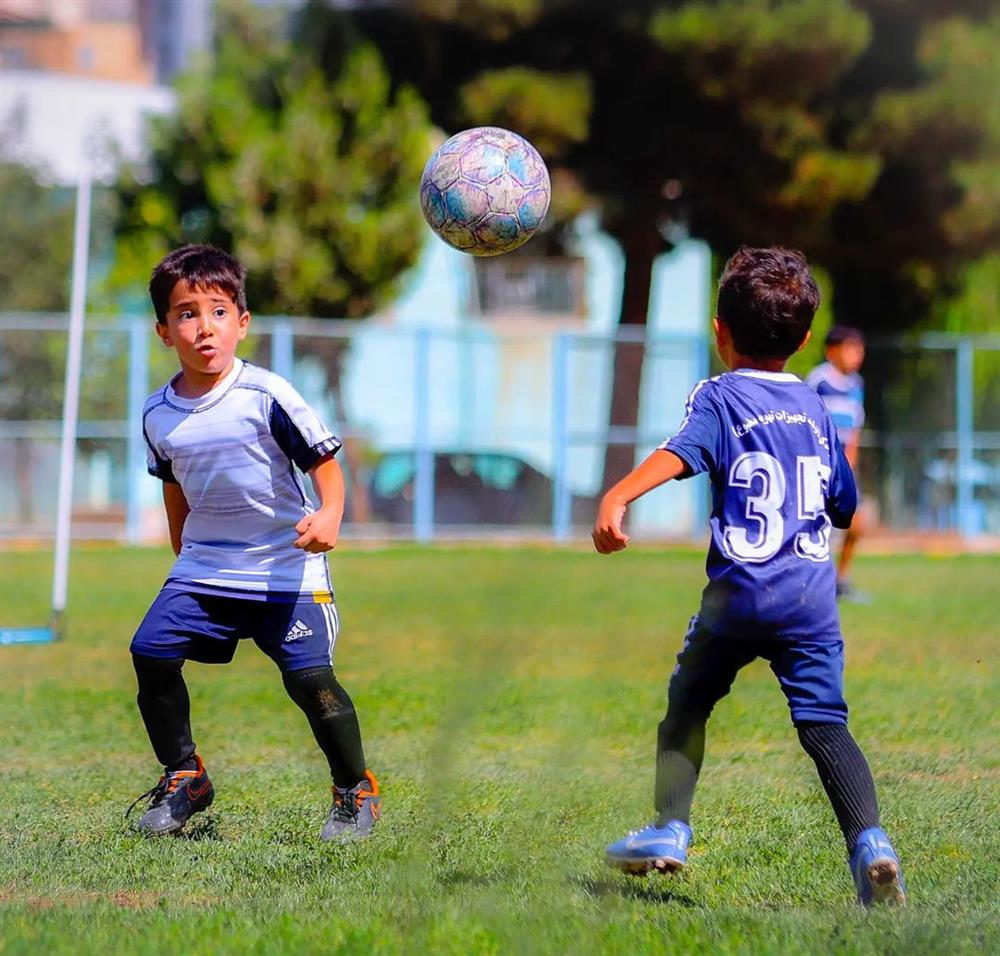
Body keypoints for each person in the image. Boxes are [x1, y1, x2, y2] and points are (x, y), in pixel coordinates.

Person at [592, 248, 905, 906]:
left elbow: (682, 453)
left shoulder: (720, 394)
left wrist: (618, 495)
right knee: (824, 723)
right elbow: (843, 505)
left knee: (688, 704)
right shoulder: (818, 408)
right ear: (803, 338)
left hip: (737, 596)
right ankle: (872, 845)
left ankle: (670, 828)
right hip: (810, 600)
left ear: (720, 332)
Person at [127, 244, 380, 841]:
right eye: (186, 314)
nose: (203, 326)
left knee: (310, 681)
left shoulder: (266, 395)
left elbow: (325, 463)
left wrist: (330, 516)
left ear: (242, 322)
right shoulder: (157, 414)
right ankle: (185, 775)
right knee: (150, 651)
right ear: (165, 331)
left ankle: (354, 789)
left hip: (286, 568)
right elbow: (173, 486)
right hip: (205, 568)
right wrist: (181, 554)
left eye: (218, 310)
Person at [806, 327, 868, 601]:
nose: (857, 355)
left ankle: (840, 581)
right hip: (819, 466)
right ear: (832, 351)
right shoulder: (818, 380)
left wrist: (849, 468)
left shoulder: (856, 385)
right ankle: (814, 586)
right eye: (850, 349)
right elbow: (807, 425)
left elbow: (854, 430)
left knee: (856, 526)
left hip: (843, 469)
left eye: (859, 349)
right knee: (817, 529)